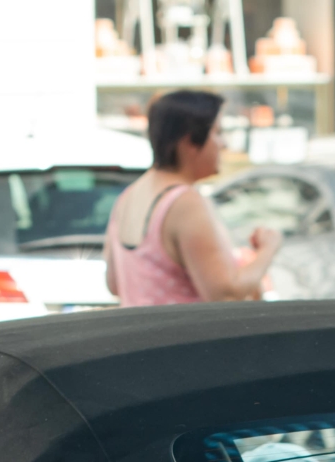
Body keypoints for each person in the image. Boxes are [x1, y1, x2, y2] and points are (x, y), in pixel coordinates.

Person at [104, 89, 280, 306]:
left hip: (142, 337)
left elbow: (113, 283)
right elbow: (226, 294)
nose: (223, 144)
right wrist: (267, 250)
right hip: (184, 338)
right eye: (217, 132)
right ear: (189, 142)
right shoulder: (183, 202)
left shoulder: (128, 197)